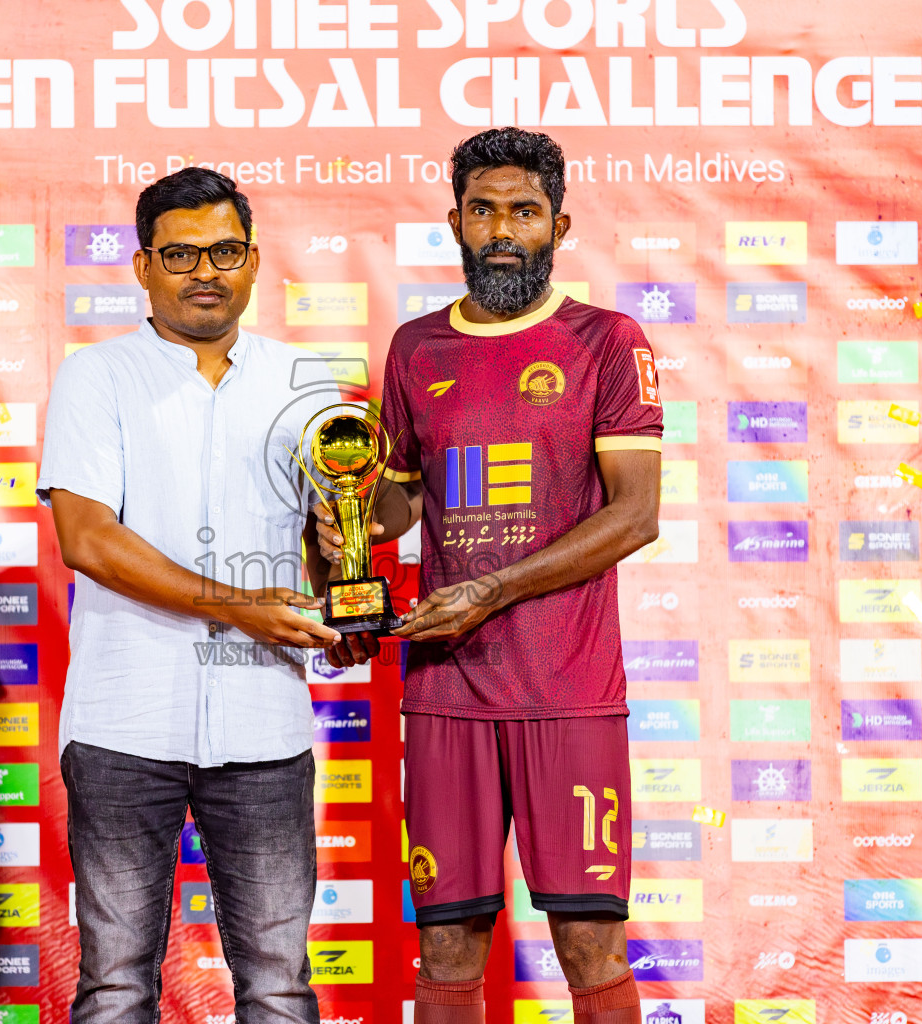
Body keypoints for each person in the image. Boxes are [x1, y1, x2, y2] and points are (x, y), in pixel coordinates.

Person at [315, 128, 663, 1024]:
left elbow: (635, 513)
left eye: (524, 211)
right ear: (454, 222)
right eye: (483, 210)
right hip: (446, 692)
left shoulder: (606, 341)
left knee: (589, 943)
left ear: (560, 224)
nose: (503, 228)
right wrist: (341, 523)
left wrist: (494, 591)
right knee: (446, 942)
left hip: (568, 688)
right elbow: (395, 506)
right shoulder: (417, 349)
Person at [39, 167, 341, 1024]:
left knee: (280, 987)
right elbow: (89, 538)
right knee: (116, 986)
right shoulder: (96, 378)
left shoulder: (303, 380)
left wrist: (341, 599)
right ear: (143, 267)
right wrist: (241, 606)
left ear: (253, 262)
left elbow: (332, 535)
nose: (205, 271)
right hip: (122, 726)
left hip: (263, 725)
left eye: (225, 251)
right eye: (180, 254)